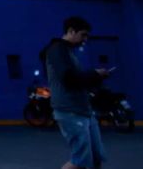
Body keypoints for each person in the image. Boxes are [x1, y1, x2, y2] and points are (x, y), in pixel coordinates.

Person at [41, 17, 110, 169]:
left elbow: (77, 79)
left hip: (84, 110)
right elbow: (68, 78)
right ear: (71, 31)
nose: (85, 40)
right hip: (70, 110)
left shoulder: (68, 51)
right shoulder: (57, 49)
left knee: (96, 156)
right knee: (81, 160)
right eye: (83, 35)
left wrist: (96, 77)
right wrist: (95, 74)